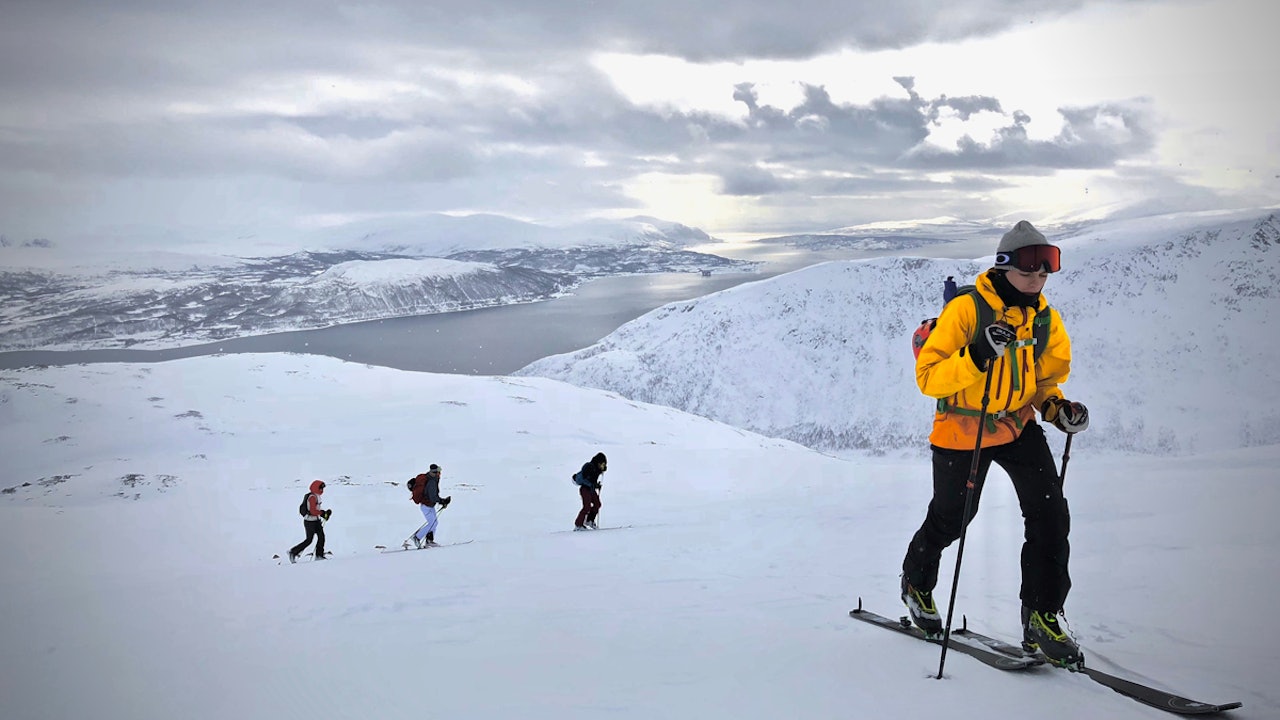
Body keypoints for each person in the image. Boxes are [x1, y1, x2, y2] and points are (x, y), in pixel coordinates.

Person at [899, 220, 1090, 667]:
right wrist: (978, 355)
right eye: (1029, 273)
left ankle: (1042, 613)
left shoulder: (1043, 318)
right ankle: (916, 584)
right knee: (952, 519)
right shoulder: (967, 311)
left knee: (1050, 516)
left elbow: (1044, 380)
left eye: (1044, 274)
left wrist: (1056, 408)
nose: (1037, 281)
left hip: (1017, 426)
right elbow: (929, 377)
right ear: (1004, 268)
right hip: (963, 427)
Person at [407, 464, 451, 549]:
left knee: (434, 523)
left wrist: (442, 501)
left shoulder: (432, 479)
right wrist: (442, 501)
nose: (440, 474)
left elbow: (433, 497)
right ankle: (417, 537)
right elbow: (432, 497)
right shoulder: (431, 482)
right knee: (433, 523)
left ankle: (429, 541)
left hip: (430, 505)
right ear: (435, 472)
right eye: (439, 472)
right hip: (426, 506)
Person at [290, 479, 332, 562]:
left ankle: (319, 556)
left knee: (321, 537)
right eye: (321, 488)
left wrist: (324, 514)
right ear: (316, 488)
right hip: (309, 522)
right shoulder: (312, 497)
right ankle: (293, 552)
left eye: (323, 488)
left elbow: (316, 510)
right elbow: (313, 511)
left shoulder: (317, 496)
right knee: (309, 540)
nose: (322, 490)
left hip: (316, 521)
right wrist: (323, 513)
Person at [572, 452, 607, 530]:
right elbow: (585, 479)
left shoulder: (597, 470)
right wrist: (592, 485)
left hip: (591, 489)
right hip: (584, 489)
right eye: (602, 464)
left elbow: (592, 480)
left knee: (597, 504)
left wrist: (596, 485)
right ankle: (578, 525)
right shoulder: (589, 467)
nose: (603, 466)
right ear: (599, 462)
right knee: (587, 507)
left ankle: (589, 520)